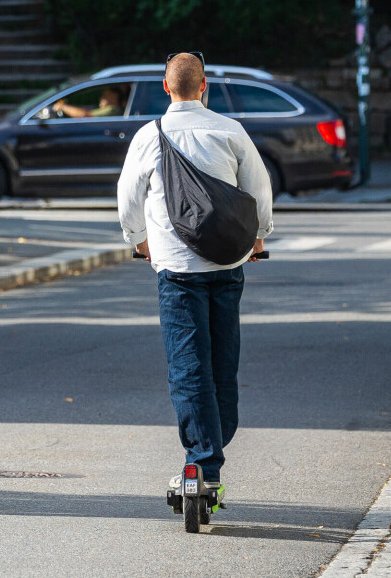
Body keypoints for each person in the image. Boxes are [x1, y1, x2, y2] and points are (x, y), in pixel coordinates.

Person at [116, 52, 273, 504]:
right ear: (204, 86)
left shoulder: (149, 136)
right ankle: (211, 454)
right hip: (227, 264)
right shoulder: (230, 131)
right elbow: (258, 191)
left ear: (166, 88)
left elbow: (128, 198)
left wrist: (139, 240)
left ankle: (202, 463)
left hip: (176, 269)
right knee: (223, 364)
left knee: (188, 368)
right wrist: (258, 238)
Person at [52, 86, 124, 118]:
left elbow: (85, 115)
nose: (101, 98)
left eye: (105, 96)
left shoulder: (112, 109)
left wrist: (62, 107)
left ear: (114, 98)